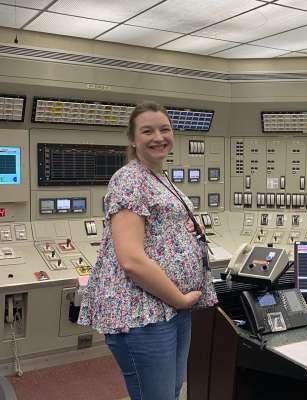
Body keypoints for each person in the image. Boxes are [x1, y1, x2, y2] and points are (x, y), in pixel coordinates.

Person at [78, 101, 217, 400]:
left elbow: (159, 229)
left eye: (164, 129)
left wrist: (189, 231)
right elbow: (131, 260)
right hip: (144, 313)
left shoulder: (161, 178)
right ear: (133, 139)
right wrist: (179, 299)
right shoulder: (129, 179)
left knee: (170, 390)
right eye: (147, 131)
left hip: (171, 309)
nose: (158, 137)